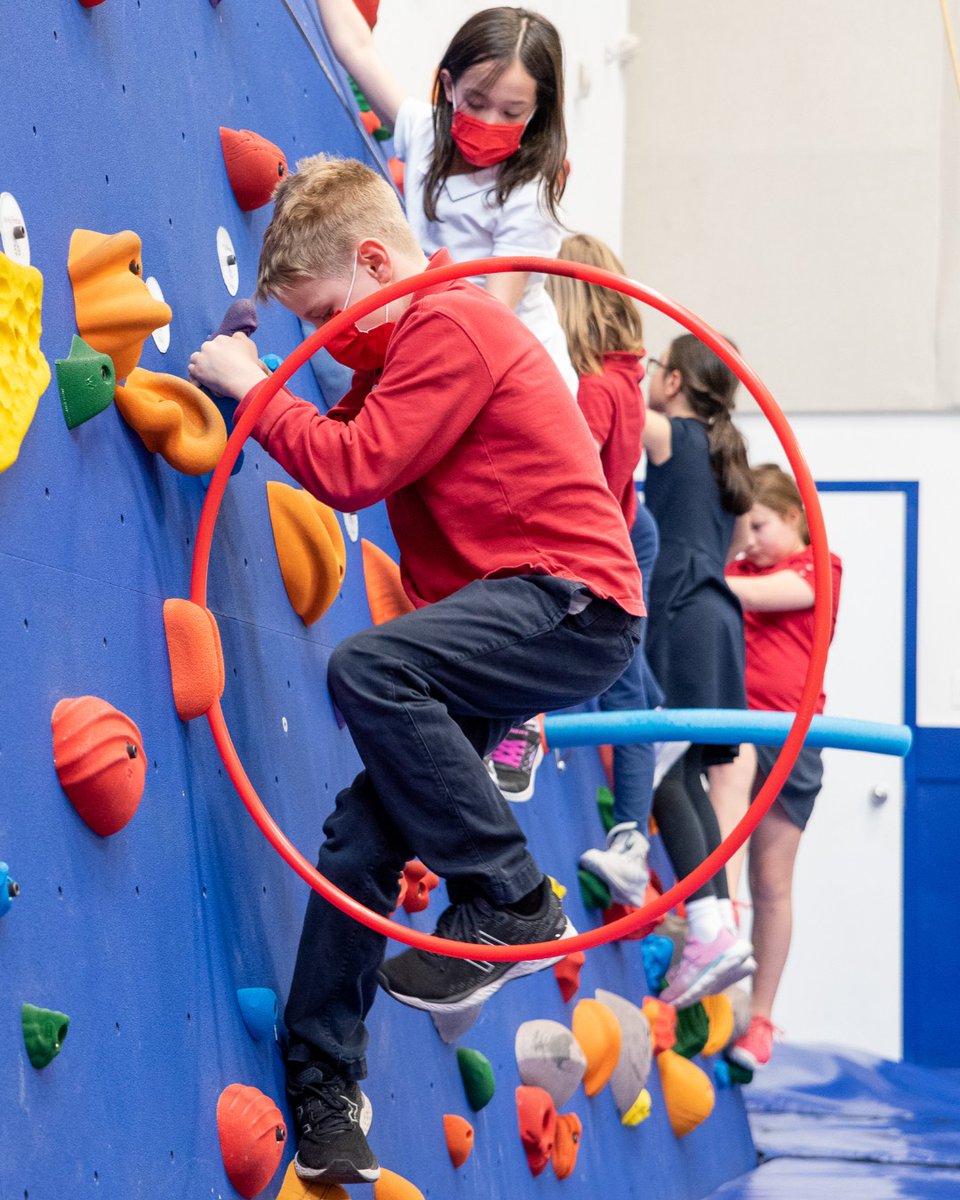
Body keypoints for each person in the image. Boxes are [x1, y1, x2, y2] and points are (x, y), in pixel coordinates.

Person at [187, 155, 643, 1186]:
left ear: (379, 262)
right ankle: (323, 1083)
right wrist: (258, 386)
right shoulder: (395, 362)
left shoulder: (448, 324)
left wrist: (255, 391)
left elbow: (349, 469)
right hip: (499, 621)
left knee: (367, 668)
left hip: (568, 599)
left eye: (323, 313)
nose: (318, 340)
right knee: (360, 838)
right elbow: (339, 433)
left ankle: (515, 902)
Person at [314, 0, 578, 394]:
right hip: (447, 333)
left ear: (537, 111)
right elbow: (357, 49)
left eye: (512, 112)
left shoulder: (528, 195)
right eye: (476, 102)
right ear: (449, 86)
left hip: (510, 366)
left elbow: (496, 318)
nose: (490, 121)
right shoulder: (426, 133)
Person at [540, 232, 662, 904]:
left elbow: (568, 475)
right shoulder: (625, 377)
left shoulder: (595, 389)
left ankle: (631, 844)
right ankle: (633, 835)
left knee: (621, 689)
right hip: (629, 524)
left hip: (613, 538)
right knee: (631, 687)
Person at [642, 334, 755, 1007]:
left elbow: (613, 410)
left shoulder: (672, 435)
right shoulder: (727, 457)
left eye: (656, 367)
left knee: (662, 768)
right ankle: (720, 923)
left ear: (676, 380)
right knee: (686, 771)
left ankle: (710, 925)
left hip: (680, 612)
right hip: (718, 617)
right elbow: (736, 543)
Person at [719, 464, 843, 1070]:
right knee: (727, 849)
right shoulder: (738, 569)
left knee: (774, 883)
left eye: (759, 526)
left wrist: (702, 581)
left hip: (794, 740)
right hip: (741, 731)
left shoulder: (820, 565)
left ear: (794, 517)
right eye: (742, 530)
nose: (748, 541)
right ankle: (719, 946)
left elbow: (776, 597)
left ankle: (762, 1018)